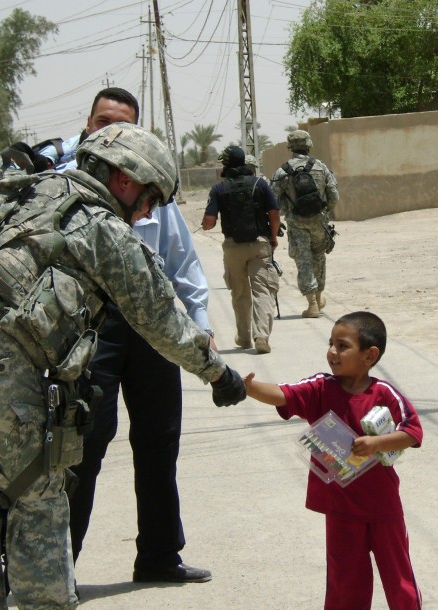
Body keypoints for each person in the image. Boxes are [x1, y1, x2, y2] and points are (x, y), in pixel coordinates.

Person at [0, 123, 246, 610]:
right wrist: (218, 374)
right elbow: (161, 316)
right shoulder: (97, 221)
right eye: (149, 201)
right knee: (36, 505)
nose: (147, 214)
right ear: (125, 180)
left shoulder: (4, 189)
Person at [65, 87, 217, 583]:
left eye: (123, 126)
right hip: (92, 332)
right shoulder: (60, 185)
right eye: (104, 123)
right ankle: (55, 568)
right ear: (88, 124)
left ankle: (158, 555)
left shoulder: (150, 186)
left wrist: (202, 328)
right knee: (83, 447)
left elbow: (183, 265)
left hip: (151, 326)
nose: (112, 134)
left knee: (159, 441)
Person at [243, 311, 431, 610]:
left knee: (398, 580)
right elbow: (283, 394)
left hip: (383, 509)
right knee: (345, 585)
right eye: (330, 343)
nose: (332, 351)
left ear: (370, 356)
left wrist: (376, 443)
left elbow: (413, 433)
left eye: (342, 346)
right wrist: (247, 387)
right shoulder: (320, 388)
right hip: (341, 512)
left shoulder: (385, 394)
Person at [201, 145, 281, 354]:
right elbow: (274, 213)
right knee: (262, 291)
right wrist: (273, 238)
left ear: (226, 164)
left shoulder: (219, 189)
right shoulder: (259, 184)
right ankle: (261, 335)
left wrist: (206, 224)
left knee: (239, 293)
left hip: (233, 247)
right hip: (259, 243)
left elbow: (209, 221)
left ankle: (244, 337)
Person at [271, 129, 339, 318]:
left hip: (297, 223)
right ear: (309, 145)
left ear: (290, 147)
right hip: (319, 221)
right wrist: (324, 211)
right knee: (319, 257)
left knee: (304, 261)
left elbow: (273, 201)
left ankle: (312, 305)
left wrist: (286, 211)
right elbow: (334, 196)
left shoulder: (282, 171)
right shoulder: (320, 167)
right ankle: (318, 297)